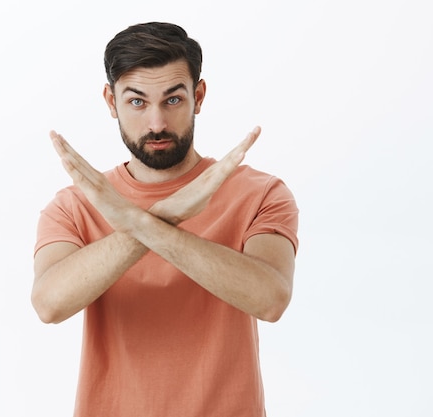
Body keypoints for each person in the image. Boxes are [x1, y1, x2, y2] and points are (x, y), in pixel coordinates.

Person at [31, 22, 299, 417]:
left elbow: (271, 300)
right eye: (137, 102)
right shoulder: (76, 204)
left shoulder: (260, 193)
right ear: (111, 102)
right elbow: (49, 305)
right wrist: (167, 214)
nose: (156, 123)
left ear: (199, 96)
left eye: (172, 100)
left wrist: (138, 222)